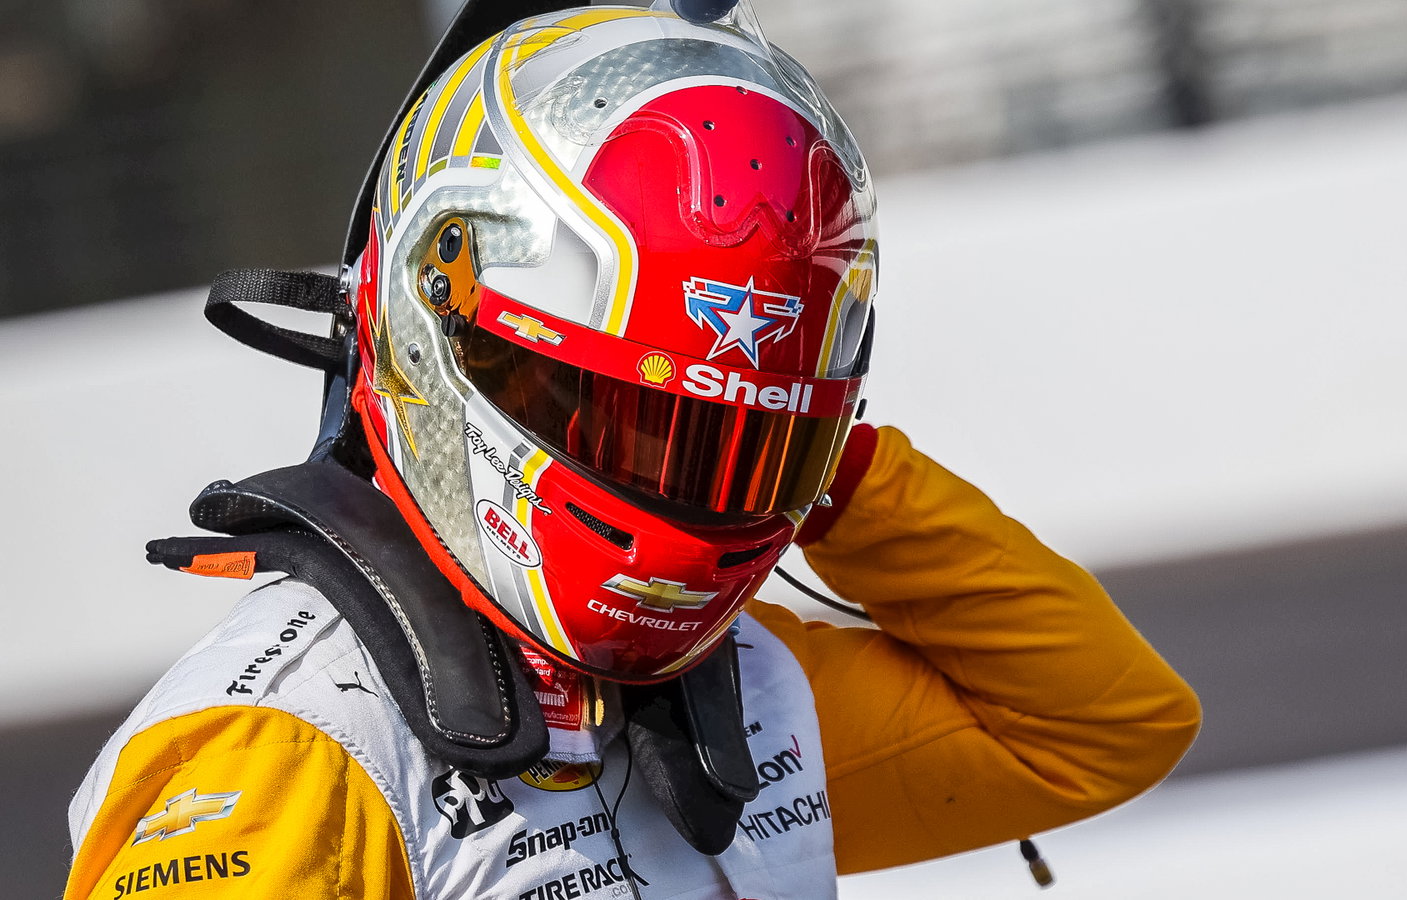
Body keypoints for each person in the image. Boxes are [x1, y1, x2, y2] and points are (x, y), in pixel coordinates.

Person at [65, 2, 1200, 898]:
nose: (684, 498)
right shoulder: (289, 751)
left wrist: (832, 471)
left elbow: (1097, 724)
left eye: (746, 446)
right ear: (439, 328)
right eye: (633, 422)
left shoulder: (749, 697)